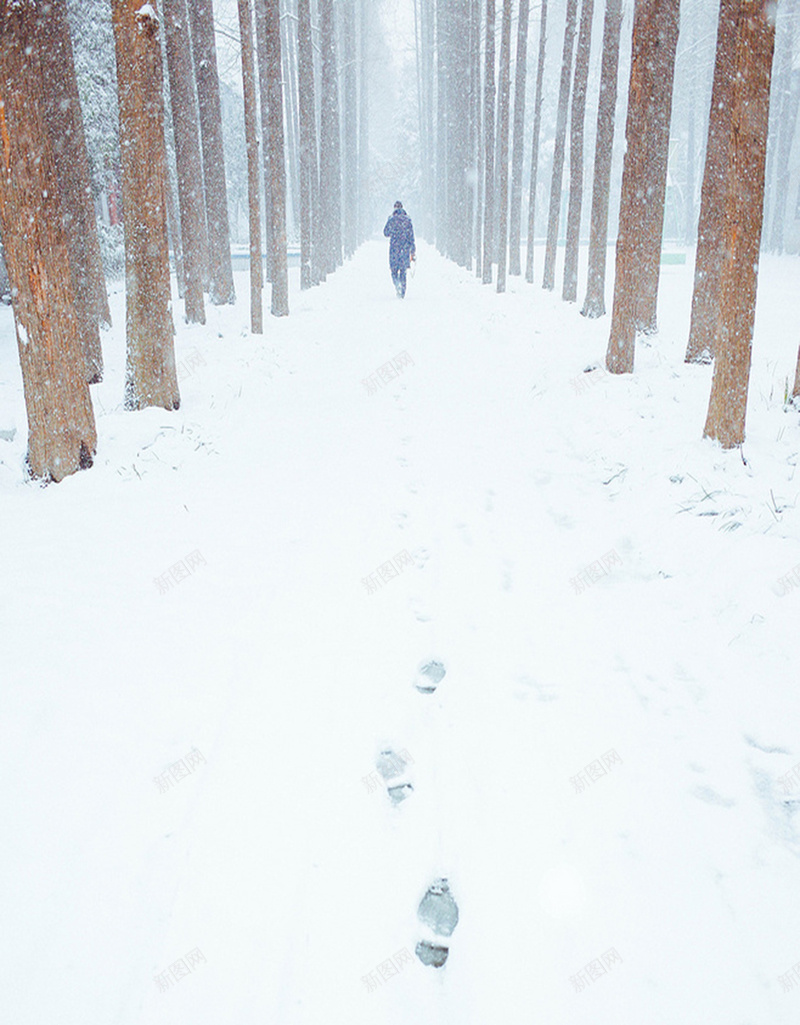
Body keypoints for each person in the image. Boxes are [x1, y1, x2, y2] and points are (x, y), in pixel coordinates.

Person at [383, 201, 416, 298]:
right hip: (405, 249)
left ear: (394, 208)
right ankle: (402, 291)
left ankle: (397, 284)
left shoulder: (392, 219)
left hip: (394, 248)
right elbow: (411, 236)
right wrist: (412, 250)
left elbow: (385, 233)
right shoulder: (408, 220)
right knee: (403, 271)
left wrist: (389, 222)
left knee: (393, 270)